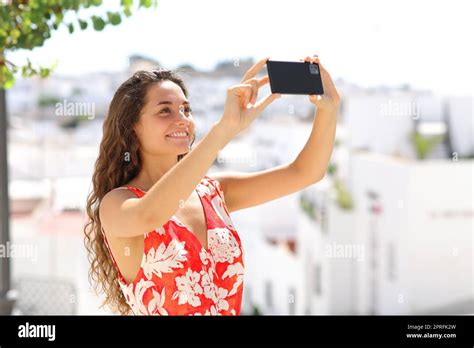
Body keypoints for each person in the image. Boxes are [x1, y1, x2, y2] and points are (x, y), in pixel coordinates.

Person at [84, 55, 340, 315]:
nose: (182, 118)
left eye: (186, 109)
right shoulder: (117, 205)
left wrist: (328, 110)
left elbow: (304, 172)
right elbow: (151, 214)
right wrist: (224, 130)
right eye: (165, 110)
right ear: (132, 127)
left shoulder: (214, 192)